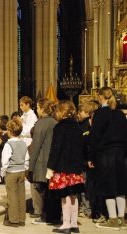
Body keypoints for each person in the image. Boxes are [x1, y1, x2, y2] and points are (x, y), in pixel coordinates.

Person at [88, 87, 127, 230]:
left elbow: (94, 137)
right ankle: (122, 219)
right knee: (120, 185)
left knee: (108, 186)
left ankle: (112, 219)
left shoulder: (99, 114)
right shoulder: (120, 114)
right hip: (120, 153)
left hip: (105, 154)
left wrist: (90, 156)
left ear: (100, 97)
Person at [46, 100, 85, 234]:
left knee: (65, 196)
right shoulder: (77, 126)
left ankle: (66, 224)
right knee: (74, 196)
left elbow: (56, 149)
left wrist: (50, 167)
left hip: (63, 167)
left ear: (61, 111)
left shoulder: (60, 127)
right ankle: (74, 224)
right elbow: (82, 148)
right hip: (75, 167)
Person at [27, 98, 59, 224]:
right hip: (53, 161)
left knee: (37, 187)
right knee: (50, 190)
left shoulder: (41, 123)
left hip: (41, 162)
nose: (37, 111)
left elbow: (36, 147)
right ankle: (53, 215)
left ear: (42, 109)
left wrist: (30, 167)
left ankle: (40, 213)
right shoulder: (56, 122)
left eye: (38, 108)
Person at [1, 118, 29, 227]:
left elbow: (5, 161)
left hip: (11, 172)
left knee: (12, 196)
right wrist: (25, 168)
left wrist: (4, 173)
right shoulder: (23, 144)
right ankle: (22, 219)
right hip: (21, 171)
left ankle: (13, 220)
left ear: (9, 131)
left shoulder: (8, 145)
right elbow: (27, 158)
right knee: (21, 195)